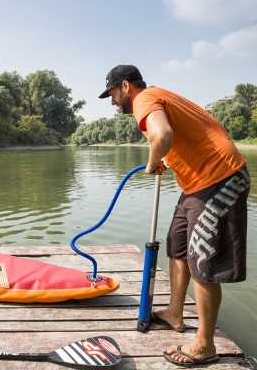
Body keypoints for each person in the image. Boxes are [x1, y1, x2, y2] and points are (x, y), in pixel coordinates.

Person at [99, 65, 250, 367]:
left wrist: (153, 162)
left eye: (113, 94)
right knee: (177, 243)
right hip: (197, 185)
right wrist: (166, 157)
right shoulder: (158, 96)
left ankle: (205, 345)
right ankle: (175, 313)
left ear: (125, 86)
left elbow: (163, 135)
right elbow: (174, 136)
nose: (113, 102)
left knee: (201, 257)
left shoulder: (145, 99)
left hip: (220, 178)